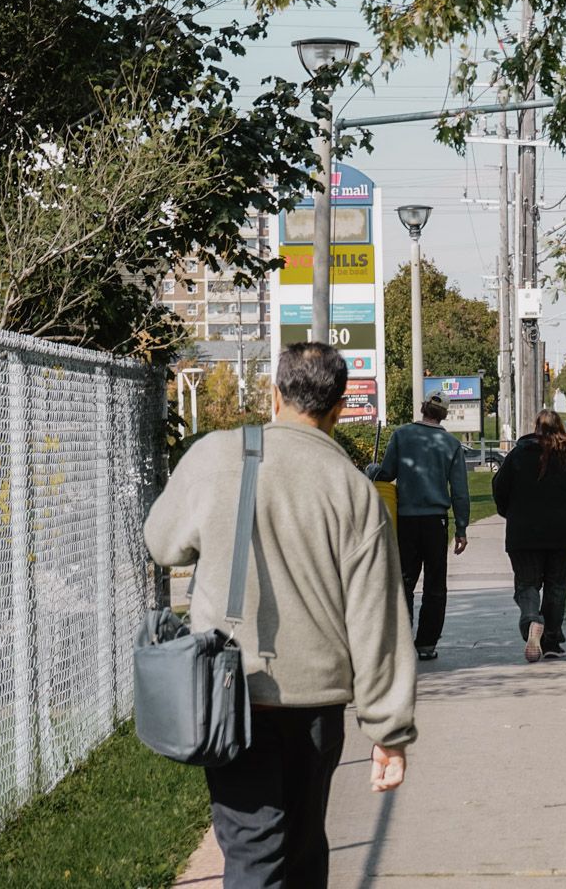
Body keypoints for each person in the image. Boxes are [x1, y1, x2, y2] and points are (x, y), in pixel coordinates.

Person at [144, 341, 415, 888]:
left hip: (232, 691)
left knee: (252, 850)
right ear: (339, 407)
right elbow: (376, 618)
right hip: (316, 702)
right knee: (305, 845)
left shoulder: (216, 457)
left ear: (274, 394)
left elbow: (163, 543)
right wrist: (388, 730)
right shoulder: (354, 492)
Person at [492, 409, 566, 662]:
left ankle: (532, 620)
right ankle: (551, 640)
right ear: (560, 427)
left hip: (523, 534)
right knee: (557, 587)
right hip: (561, 534)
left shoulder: (517, 455)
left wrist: (508, 512)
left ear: (536, 427)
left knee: (527, 584)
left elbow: (499, 488)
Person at [374, 389, 470, 660]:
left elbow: (386, 473)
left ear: (423, 407)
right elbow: (460, 490)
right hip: (436, 522)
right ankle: (427, 643)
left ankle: (402, 640)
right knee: (435, 584)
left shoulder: (401, 436)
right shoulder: (450, 444)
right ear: (444, 413)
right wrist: (461, 527)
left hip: (405, 520)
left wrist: (372, 471)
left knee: (404, 581)